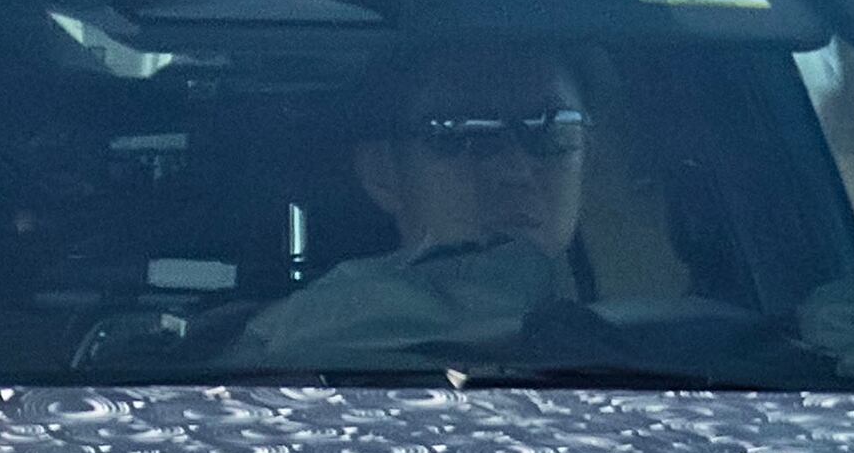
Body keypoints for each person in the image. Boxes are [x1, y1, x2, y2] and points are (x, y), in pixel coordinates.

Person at [233, 39, 599, 365]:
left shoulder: (636, 338)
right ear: (382, 172)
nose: (515, 170)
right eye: (460, 133)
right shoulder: (301, 340)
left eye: (554, 133)